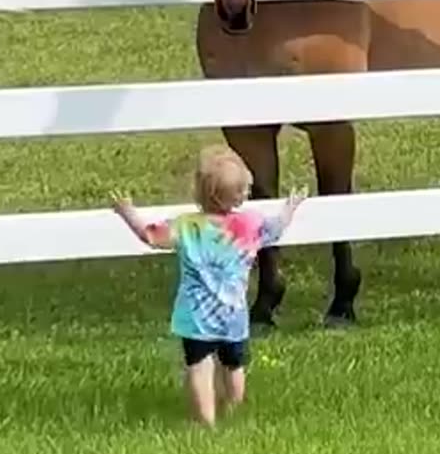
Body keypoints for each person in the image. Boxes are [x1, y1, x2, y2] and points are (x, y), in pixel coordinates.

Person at [110, 145, 306, 427]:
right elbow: (276, 228)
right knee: (234, 367)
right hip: (233, 317)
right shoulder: (249, 225)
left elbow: (150, 235)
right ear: (237, 196)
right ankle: (235, 413)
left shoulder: (186, 226)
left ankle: (207, 422)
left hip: (196, 319)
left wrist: (127, 212)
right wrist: (291, 207)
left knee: (199, 369)